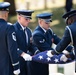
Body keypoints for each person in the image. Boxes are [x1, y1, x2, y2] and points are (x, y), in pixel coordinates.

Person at [14, 9, 40, 75]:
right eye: (26, 19)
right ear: (19, 18)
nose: (29, 21)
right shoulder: (13, 29)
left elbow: (31, 45)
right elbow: (12, 46)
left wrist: (37, 52)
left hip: (26, 64)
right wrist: (23, 54)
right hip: (16, 64)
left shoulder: (28, 31)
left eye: (29, 19)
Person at [0, 2, 20, 75]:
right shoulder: (9, 27)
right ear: (6, 14)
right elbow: (12, 48)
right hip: (6, 68)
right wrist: (16, 66)